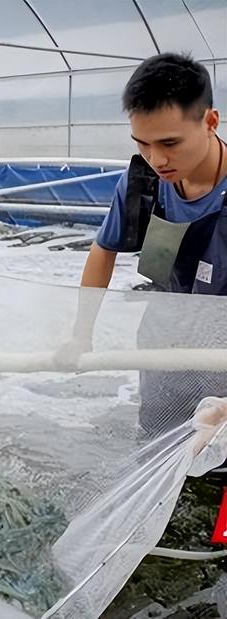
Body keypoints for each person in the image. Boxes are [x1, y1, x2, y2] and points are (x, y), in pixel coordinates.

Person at [72, 53, 227, 434]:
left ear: (210, 121)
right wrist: (80, 335)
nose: (157, 159)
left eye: (170, 143)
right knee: (159, 437)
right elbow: (102, 251)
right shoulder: (145, 183)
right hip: (164, 336)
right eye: (143, 143)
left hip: (224, 348)